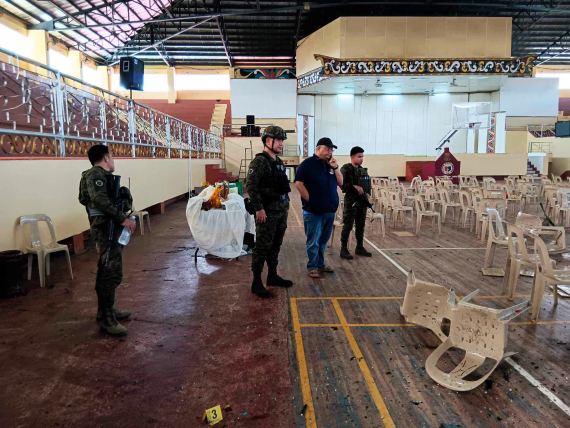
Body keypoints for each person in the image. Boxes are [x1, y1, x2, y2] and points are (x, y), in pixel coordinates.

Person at [78, 145, 136, 336]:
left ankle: (105, 310)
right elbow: (99, 200)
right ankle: (106, 317)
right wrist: (122, 218)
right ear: (105, 157)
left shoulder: (99, 176)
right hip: (105, 229)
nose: (113, 160)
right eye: (111, 156)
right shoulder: (95, 174)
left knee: (108, 269)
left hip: (109, 227)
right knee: (109, 271)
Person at [246, 126, 293, 298]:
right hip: (267, 212)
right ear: (268, 141)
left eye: (282, 140)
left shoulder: (278, 162)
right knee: (262, 247)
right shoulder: (260, 161)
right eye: (278, 140)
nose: (281, 143)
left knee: (275, 245)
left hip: (280, 211)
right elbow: (251, 186)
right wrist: (259, 208)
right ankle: (256, 281)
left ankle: (272, 275)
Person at [295, 138, 343, 278]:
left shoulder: (330, 166)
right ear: (318, 149)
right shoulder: (307, 164)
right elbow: (299, 184)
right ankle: (312, 266)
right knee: (313, 241)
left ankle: (320, 263)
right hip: (313, 211)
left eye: (331, 150)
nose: (330, 152)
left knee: (323, 240)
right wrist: (311, 201)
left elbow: (340, 182)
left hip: (329, 210)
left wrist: (335, 167)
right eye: (327, 149)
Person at [340, 146, 373, 259]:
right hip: (351, 201)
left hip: (362, 202)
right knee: (348, 225)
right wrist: (354, 186)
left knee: (360, 225)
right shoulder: (346, 169)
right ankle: (343, 249)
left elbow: (367, 184)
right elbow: (342, 185)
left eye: (362, 156)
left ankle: (359, 247)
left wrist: (367, 193)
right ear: (352, 157)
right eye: (359, 156)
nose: (361, 159)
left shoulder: (363, 170)